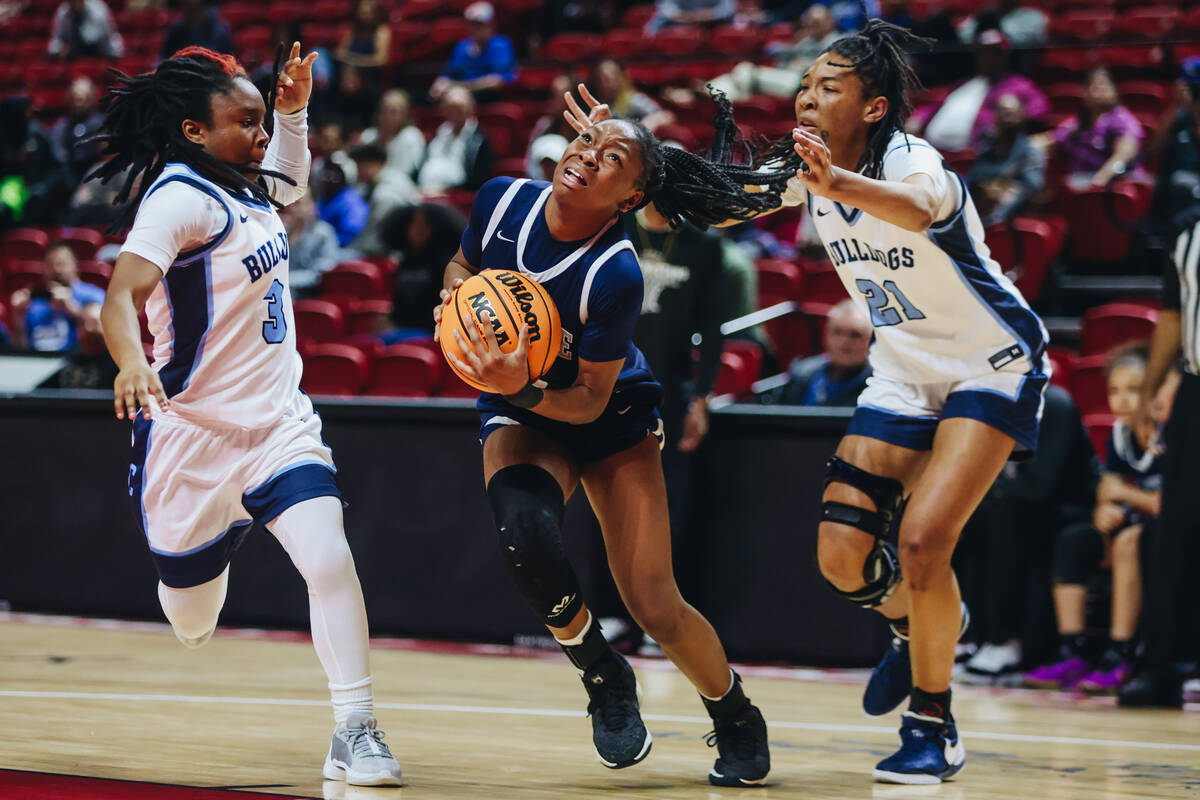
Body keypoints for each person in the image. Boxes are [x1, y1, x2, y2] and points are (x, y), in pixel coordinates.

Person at [577, 17, 1048, 783]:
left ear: (872, 105)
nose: (806, 97)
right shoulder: (806, 170)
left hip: (989, 361)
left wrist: (837, 185)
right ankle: (920, 619)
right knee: (841, 557)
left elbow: (926, 206)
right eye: (802, 85)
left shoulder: (909, 159)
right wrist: (627, 152)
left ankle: (933, 725)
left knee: (926, 541)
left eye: (828, 86)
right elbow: (713, 200)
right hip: (903, 370)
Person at [431, 86, 784, 786]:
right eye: (587, 143)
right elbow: (463, 268)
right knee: (526, 538)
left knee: (654, 602)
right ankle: (603, 675)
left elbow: (589, 400)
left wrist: (520, 385)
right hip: (522, 408)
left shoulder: (614, 270)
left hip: (608, 415)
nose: (587, 157)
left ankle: (735, 712)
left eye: (612, 158)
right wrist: (457, 303)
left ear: (629, 199)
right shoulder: (500, 199)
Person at [91, 44, 403, 785]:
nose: (260, 134)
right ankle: (213, 544)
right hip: (191, 437)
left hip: (276, 424)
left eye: (262, 120)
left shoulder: (242, 180)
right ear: (196, 131)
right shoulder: (178, 199)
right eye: (248, 121)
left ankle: (356, 729)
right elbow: (119, 294)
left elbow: (287, 182)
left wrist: (291, 111)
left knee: (328, 558)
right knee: (191, 622)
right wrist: (133, 361)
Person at [1024, 347, 1168, 694]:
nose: (1123, 400)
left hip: (1174, 535)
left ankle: (1121, 654)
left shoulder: (1172, 434)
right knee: (1075, 539)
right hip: (1139, 526)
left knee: (1127, 543)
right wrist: (1106, 505)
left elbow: (1168, 505)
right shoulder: (1120, 434)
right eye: (1115, 391)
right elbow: (1107, 488)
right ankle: (1072, 650)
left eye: (1133, 390)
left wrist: (1126, 496)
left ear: (1156, 390)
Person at [955, 382, 1096, 683]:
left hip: (1069, 509)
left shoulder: (1053, 404)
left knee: (1005, 516)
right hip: (1016, 504)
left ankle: (1004, 641)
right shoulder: (983, 402)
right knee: (954, 519)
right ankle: (965, 636)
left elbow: (1040, 485)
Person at [1118, 214, 1200, 707]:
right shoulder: (1188, 235)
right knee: (1177, 530)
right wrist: (1150, 388)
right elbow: (1172, 316)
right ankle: (1163, 666)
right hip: (1195, 388)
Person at [910, 29, 1048, 152]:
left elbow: (1040, 109)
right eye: (984, 53)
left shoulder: (1019, 85)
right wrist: (919, 118)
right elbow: (935, 106)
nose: (988, 58)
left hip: (979, 153)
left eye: (994, 53)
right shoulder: (964, 84)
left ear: (1004, 56)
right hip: (937, 150)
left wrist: (1004, 124)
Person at [1034, 67, 1146, 189]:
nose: (1100, 91)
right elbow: (1050, 139)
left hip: (1117, 183)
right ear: (1085, 93)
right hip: (1082, 182)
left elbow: (1124, 154)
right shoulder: (1078, 124)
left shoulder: (1122, 119)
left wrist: (1100, 179)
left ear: (1114, 92)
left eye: (1104, 86)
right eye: (1095, 87)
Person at [761, 299, 872, 406]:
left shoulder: (876, 386)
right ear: (826, 335)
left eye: (855, 335)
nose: (844, 342)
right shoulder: (801, 372)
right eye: (837, 332)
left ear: (871, 341)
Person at [379, 201, 466, 334]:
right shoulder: (406, 261)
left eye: (423, 226)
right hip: (403, 330)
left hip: (432, 332)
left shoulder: (447, 264)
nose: (416, 231)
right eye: (411, 225)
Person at [9, 241, 105, 352]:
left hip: (79, 362)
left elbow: (102, 337)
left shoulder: (93, 295)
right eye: (50, 265)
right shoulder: (34, 303)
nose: (56, 269)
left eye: (61, 264)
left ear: (75, 266)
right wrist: (18, 317)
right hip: (38, 363)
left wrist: (72, 309)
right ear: (43, 269)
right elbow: (20, 349)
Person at [967, 93, 1044, 227]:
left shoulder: (1030, 151)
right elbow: (973, 178)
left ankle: (994, 221)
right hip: (983, 208)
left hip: (1016, 218)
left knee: (1014, 193)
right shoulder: (986, 150)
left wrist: (1001, 186)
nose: (1007, 117)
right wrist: (990, 187)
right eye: (1003, 112)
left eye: (1011, 113)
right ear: (996, 117)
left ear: (1022, 116)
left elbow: (1033, 186)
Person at [429, 2, 517, 102]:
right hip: (460, 95)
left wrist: (459, 87)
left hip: (488, 98)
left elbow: (496, 82)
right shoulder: (462, 46)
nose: (475, 29)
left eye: (479, 25)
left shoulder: (501, 44)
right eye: (472, 24)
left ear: (491, 25)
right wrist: (439, 85)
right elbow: (447, 75)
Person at [416, 86, 494, 194]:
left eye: (459, 108)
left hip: (456, 196)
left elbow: (477, 180)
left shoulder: (479, 141)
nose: (454, 113)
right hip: (426, 191)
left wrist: (447, 191)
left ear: (471, 108)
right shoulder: (438, 134)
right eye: (450, 107)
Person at [279, 191, 341, 297]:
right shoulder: (282, 231)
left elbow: (321, 274)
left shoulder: (323, 234)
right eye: (289, 203)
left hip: (310, 296)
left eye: (297, 203)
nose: (290, 207)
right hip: (284, 292)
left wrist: (285, 280)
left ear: (312, 206)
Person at [359, 89, 426, 182]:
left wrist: (378, 174)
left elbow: (405, 172)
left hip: (398, 185)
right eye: (384, 110)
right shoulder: (369, 135)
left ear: (405, 114)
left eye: (394, 112)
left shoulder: (411, 136)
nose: (387, 116)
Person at [50, 76, 106, 185]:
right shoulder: (63, 125)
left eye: (84, 100)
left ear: (92, 100)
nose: (79, 104)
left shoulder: (101, 123)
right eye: (76, 99)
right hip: (69, 173)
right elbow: (57, 151)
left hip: (95, 173)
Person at [47, 0, 123, 59]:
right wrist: (59, 48)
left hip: (103, 51)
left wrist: (71, 46)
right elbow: (56, 38)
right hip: (74, 55)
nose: (75, 3)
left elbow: (92, 39)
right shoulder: (63, 11)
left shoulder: (98, 9)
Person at [160, 0, 233, 60]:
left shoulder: (219, 30)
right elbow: (164, 58)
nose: (192, 13)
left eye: (195, 8)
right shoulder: (175, 30)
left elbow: (228, 59)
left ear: (203, 7)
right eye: (188, 8)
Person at [334, 0, 390, 72]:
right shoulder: (353, 29)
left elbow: (381, 59)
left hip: (370, 72)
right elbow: (340, 53)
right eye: (362, 13)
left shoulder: (381, 31)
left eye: (368, 13)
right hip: (349, 69)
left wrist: (356, 61)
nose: (364, 17)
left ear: (376, 14)